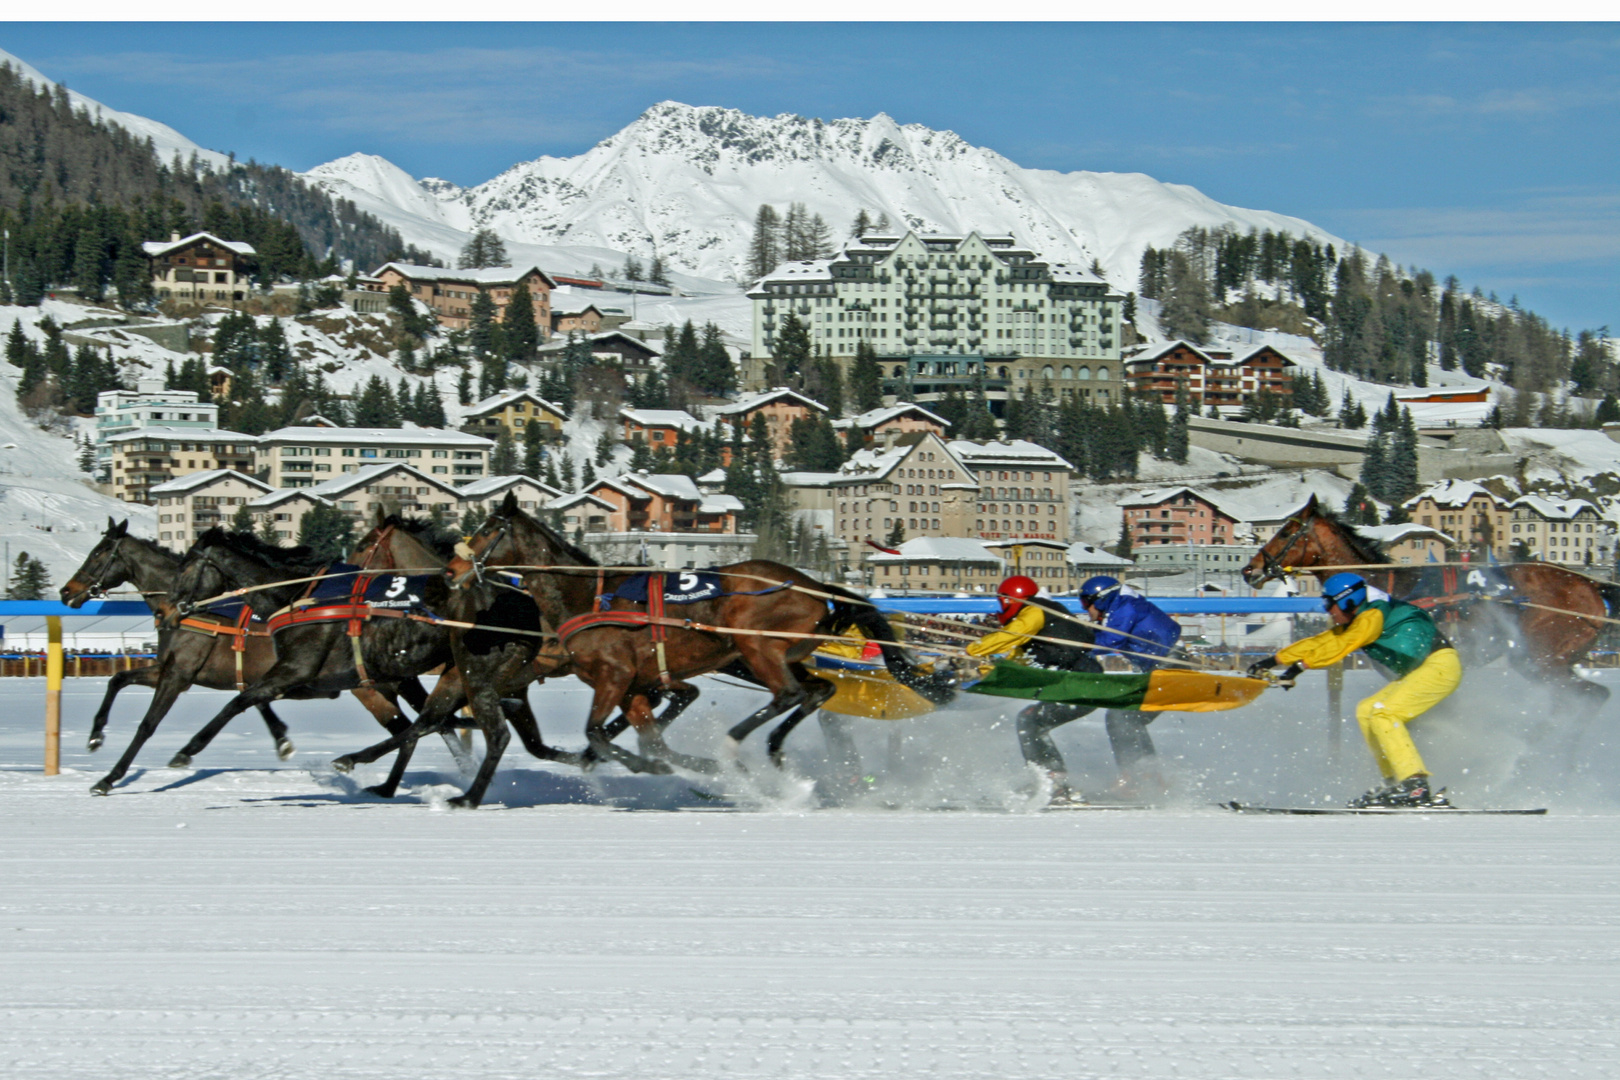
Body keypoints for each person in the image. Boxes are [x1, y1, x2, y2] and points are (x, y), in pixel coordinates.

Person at [1248, 572, 1461, 807]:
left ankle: (1415, 785)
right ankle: (1395, 783)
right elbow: (1323, 641)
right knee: (1366, 709)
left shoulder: (1372, 616)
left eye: (1330, 603)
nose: (1327, 610)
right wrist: (1274, 661)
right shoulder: (1360, 617)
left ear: (1348, 600)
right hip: (1426, 669)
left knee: (1384, 713)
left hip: (1440, 667)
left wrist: (1300, 666)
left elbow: (1343, 645)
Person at [964, 576, 1104, 804]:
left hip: (1082, 683)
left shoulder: (1035, 611)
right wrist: (988, 671)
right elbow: (1018, 660)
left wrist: (972, 649)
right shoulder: (1040, 623)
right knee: (1031, 721)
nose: (1001, 610)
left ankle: (1054, 783)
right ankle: (1054, 780)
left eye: (1003, 603)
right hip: (1079, 682)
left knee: (1030, 721)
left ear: (1014, 599)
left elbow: (1011, 635)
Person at [1078, 576, 1183, 798]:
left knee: (1122, 718)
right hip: (1160, 667)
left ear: (1102, 599)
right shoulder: (1122, 604)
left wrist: (1076, 647)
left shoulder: (1125, 607)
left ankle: (1136, 778)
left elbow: (1109, 641)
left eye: (1086, 603)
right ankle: (1149, 776)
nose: (1085, 609)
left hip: (1170, 666)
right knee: (1128, 718)